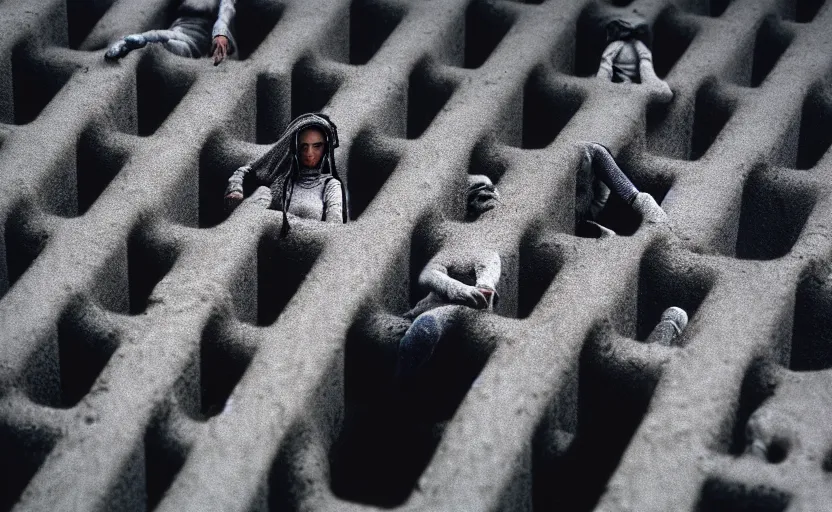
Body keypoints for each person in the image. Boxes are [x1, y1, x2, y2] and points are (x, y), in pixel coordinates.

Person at [395, 177, 501, 383]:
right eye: (479, 198)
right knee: (421, 323)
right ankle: (401, 381)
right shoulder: (457, 244)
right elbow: (429, 274)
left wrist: (478, 289)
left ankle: (402, 383)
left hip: (465, 313)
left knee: (427, 327)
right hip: (432, 303)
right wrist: (455, 287)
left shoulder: (489, 253)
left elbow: (487, 280)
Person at [224, 113, 347, 235]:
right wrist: (236, 188)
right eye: (304, 146)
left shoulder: (330, 185)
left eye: (317, 146)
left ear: (325, 148)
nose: (310, 153)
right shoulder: (279, 183)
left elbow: (334, 230)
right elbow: (246, 224)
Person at [104, 0, 237, 65]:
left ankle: (135, 42)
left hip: (200, 40)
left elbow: (225, 13)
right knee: (163, 35)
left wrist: (220, 34)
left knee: (167, 41)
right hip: (180, 28)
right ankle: (128, 43)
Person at [595, 13, 673, 102]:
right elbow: (606, 62)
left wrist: (650, 79)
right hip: (617, 78)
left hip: (636, 79)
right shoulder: (616, 45)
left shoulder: (637, 45)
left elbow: (645, 60)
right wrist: (602, 80)